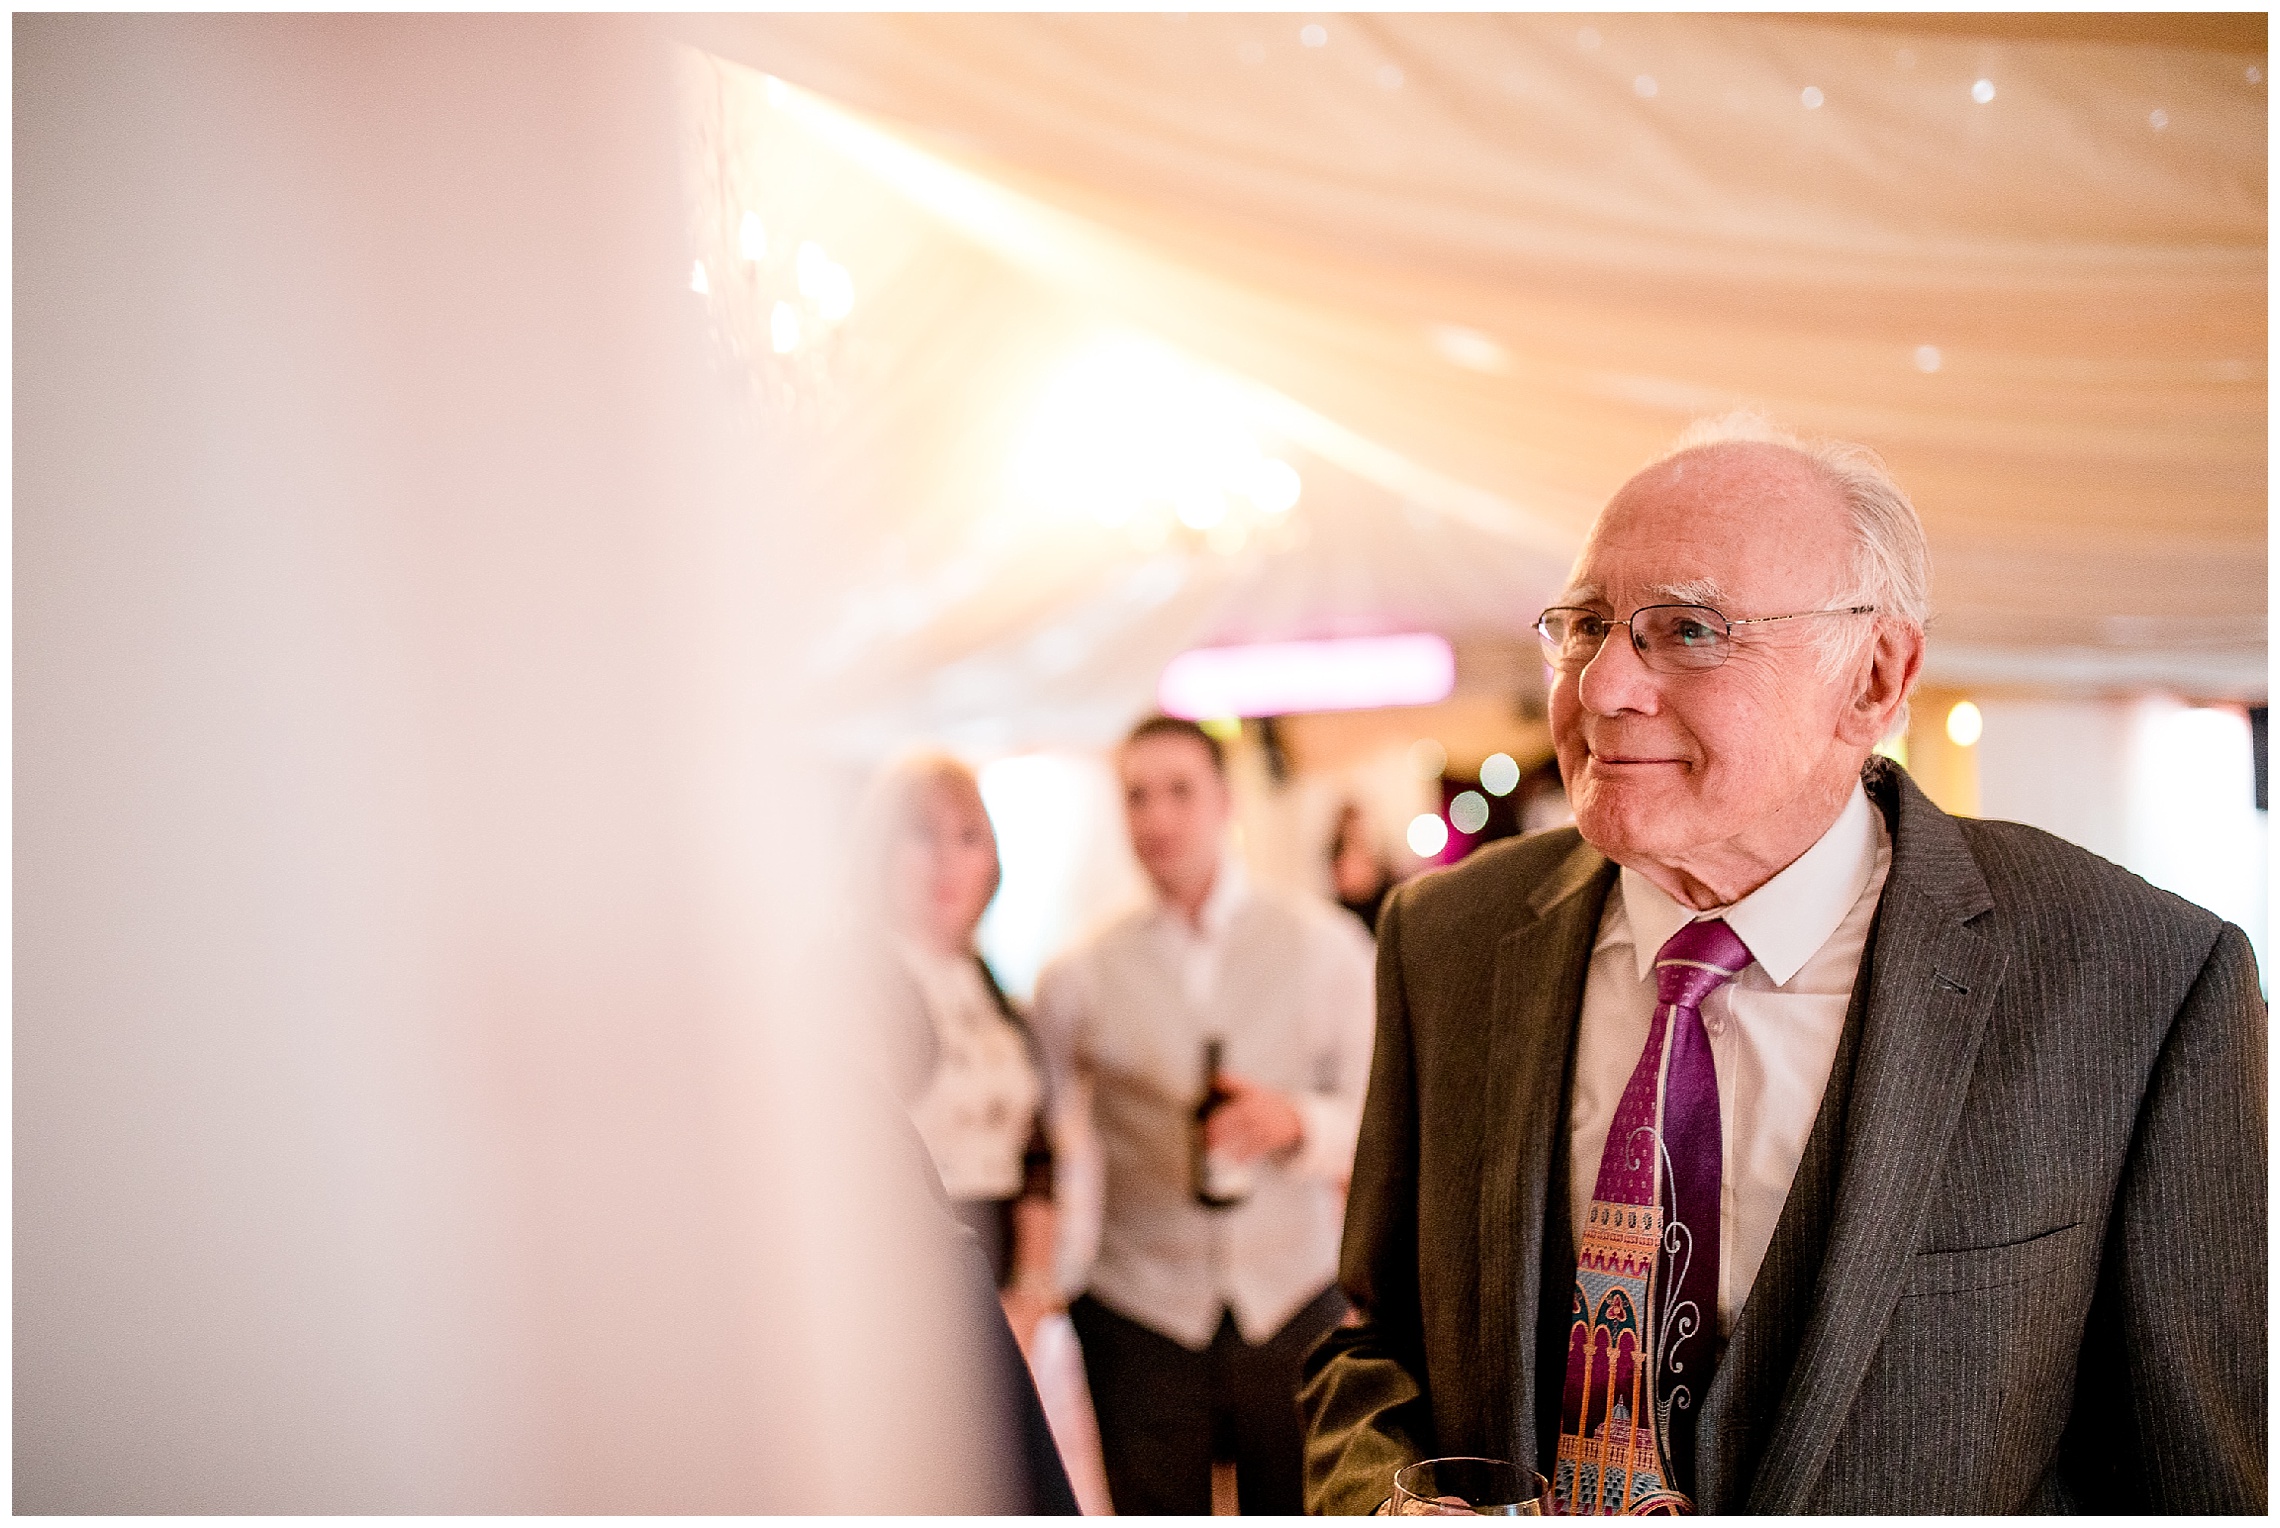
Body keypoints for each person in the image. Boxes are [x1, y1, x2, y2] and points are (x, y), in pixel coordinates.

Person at [1301, 414, 2266, 1514]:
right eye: (1583, 624)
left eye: (1688, 628)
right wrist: (1386, 1501)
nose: (1603, 684)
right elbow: (1372, 1348)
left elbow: (2204, 1482)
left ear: (1874, 677)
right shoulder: (1449, 939)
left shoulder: (2137, 982)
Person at [1033, 716, 1376, 1515]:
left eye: (1180, 792)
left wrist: (1297, 1124)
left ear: (1225, 801)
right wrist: (1050, 1276)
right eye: (1136, 797)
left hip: (1296, 1297)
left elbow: (1382, 1119)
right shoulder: (1077, 977)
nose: (1157, 818)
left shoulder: (1324, 948)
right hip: (1137, 1306)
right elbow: (1045, 1134)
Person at [867, 753, 1061, 1351]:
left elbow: (1035, 1149)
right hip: (903, 1284)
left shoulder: (987, 982)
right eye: (923, 836)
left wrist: (1029, 1293)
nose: (948, 861)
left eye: (969, 837)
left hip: (998, 1278)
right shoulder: (854, 975)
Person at [1328, 802, 1394, 934]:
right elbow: (1350, 891)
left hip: (1375, 916)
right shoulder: (1339, 859)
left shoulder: (1377, 857)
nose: (1357, 829)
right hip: (1355, 920)